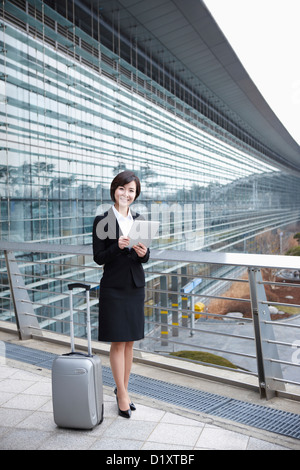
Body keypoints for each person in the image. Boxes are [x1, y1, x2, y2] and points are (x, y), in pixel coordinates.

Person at [92, 170, 149, 418]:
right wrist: (117, 246)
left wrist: (142, 252)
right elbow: (98, 257)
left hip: (135, 286)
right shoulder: (102, 219)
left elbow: (145, 257)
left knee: (130, 342)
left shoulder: (140, 219)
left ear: (136, 195)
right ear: (114, 190)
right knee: (118, 341)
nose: (126, 194)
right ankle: (123, 396)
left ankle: (122, 390)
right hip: (114, 287)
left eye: (131, 191)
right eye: (122, 189)